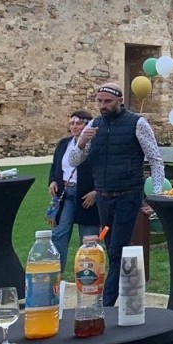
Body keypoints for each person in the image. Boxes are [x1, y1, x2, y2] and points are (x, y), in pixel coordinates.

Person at [72, 82, 165, 306]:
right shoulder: (94, 125)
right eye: (99, 101)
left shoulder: (137, 123)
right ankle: (128, 297)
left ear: (120, 100)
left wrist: (157, 195)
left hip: (128, 193)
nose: (103, 106)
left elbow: (155, 158)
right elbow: (74, 161)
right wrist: (82, 143)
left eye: (108, 101)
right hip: (103, 196)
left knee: (116, 249)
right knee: (112, 246)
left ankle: (106, 302)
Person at [46, 110, 100, 266]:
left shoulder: (95, 146)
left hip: (86, 195)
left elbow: (103, 170)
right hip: (65, 193)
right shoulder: (64, 143)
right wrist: (53, 181)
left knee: (88, 239)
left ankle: (88, 275)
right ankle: (57, 272)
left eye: (79, 123)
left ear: (88, 125)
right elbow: (55, 165)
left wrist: (96, 192)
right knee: (59, 234)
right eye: (72, 123)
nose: (75, 126)